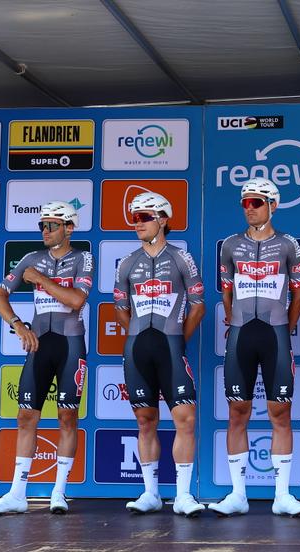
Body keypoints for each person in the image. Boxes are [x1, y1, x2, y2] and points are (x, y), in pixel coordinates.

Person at [0, 201, 93, 515]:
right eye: (42, 225)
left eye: (52, 225)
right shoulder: (31, 259)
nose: (45, 231)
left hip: (71, 346)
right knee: (26, 417)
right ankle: (17, 494)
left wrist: (40, 280)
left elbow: (76, 300)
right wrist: (18, 324)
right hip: (40, 345)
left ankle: (59, 492)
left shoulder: (83, 259)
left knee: (66, 417)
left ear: (69, 228)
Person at [210, 177, 300, 517]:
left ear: (273, 205)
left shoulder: (288, 245)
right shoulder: (230, 245)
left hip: (275, 335)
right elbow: (225, 289)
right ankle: (238, 494)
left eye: (255, 202)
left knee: (279, 414)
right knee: (237, 413)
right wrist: (232, 316)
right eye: (245, 203)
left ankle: (282, 495)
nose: (249, 208)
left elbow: (299, 292)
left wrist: (288, 326)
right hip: (241, 334)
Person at [114, 191, 206, 517]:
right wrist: (137, 336)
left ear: (163, 219)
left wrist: (178, 338)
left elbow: (198, 306)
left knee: (186, 418)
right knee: (145, 421)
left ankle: (182, 496)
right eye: (134, 217)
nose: (137, 223)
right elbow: (121, 310)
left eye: (144, 217)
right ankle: (150, 493)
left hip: (170, 346)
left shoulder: (182, 258)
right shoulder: (126, 263)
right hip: (138, 348)